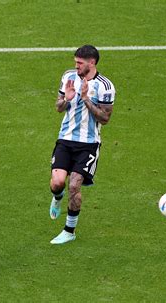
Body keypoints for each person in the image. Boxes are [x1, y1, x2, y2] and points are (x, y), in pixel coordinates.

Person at [49, 45, 116, 244]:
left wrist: (86, 99)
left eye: (80, 63)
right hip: (65, 139)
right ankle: (57, 196)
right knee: (58, 183)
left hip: (88, 144)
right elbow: (58, 107)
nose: (76, 65)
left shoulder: (105, 86)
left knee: (75, 185)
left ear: (92, 63)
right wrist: (66, 100)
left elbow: (104, 118)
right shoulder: (69, 76)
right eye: (75, 62)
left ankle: (69, 231)